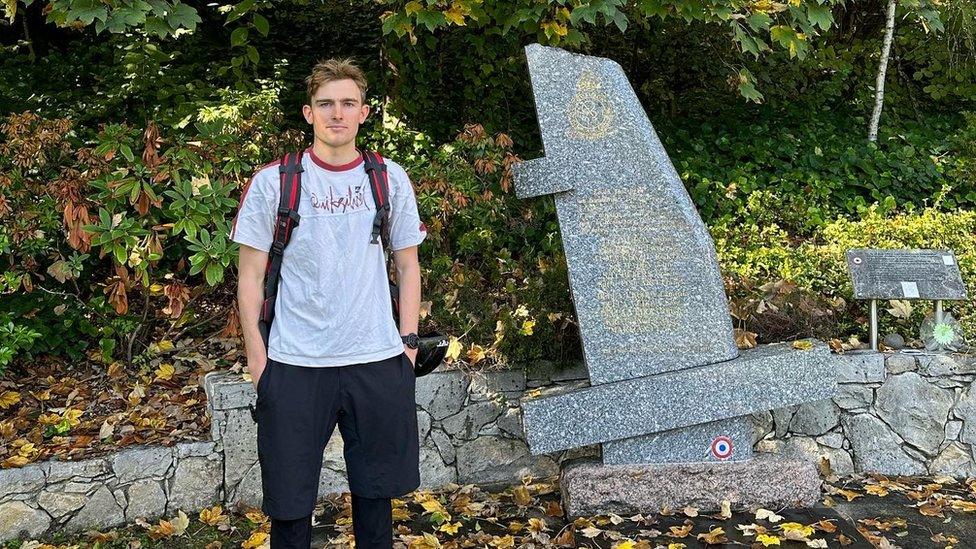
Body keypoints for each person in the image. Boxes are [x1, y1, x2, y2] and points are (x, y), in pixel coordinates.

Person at [229, 58, 426, 549]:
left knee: (376, 497)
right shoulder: (274, 182)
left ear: (364, 112)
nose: (336, 113)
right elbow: (249, 277)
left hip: (378, 360)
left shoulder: (389, 178)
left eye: (347, 103)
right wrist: (259, 360)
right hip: (295, 363)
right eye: (325, 104)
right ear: (308, 112)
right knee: (289, 506)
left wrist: (408, 346)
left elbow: (408, 266)